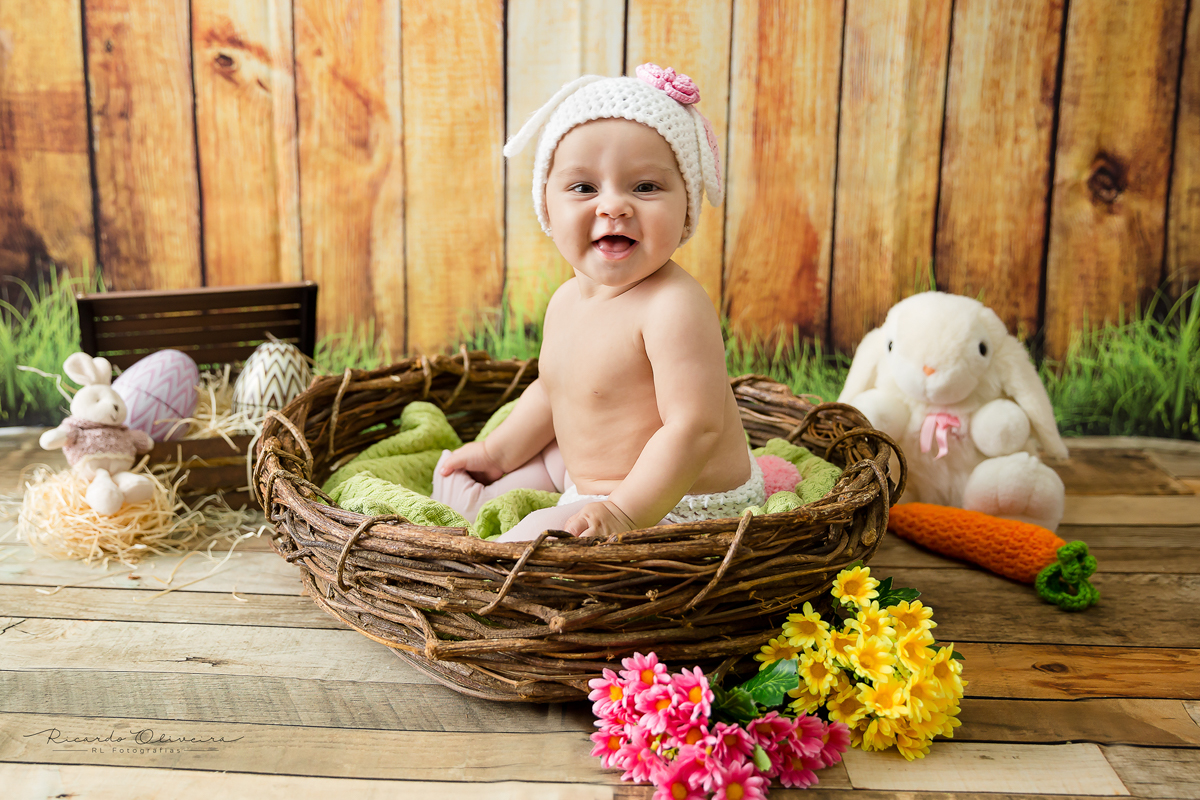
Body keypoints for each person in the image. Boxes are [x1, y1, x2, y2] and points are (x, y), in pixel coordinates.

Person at [431, 64, 765, 541]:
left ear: (686, 206)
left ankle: (505, 543)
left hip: (675, 498)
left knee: (534, 538)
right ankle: (486, 500)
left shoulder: (673, 306)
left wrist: (624, 512)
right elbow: (553, 392)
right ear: (547, 207)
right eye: (584, 188)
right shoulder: (565, 300)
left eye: (645, 187)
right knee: (538, 460)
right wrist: (496, 454)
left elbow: (694, 428)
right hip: (594, 479)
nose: (613, 206)